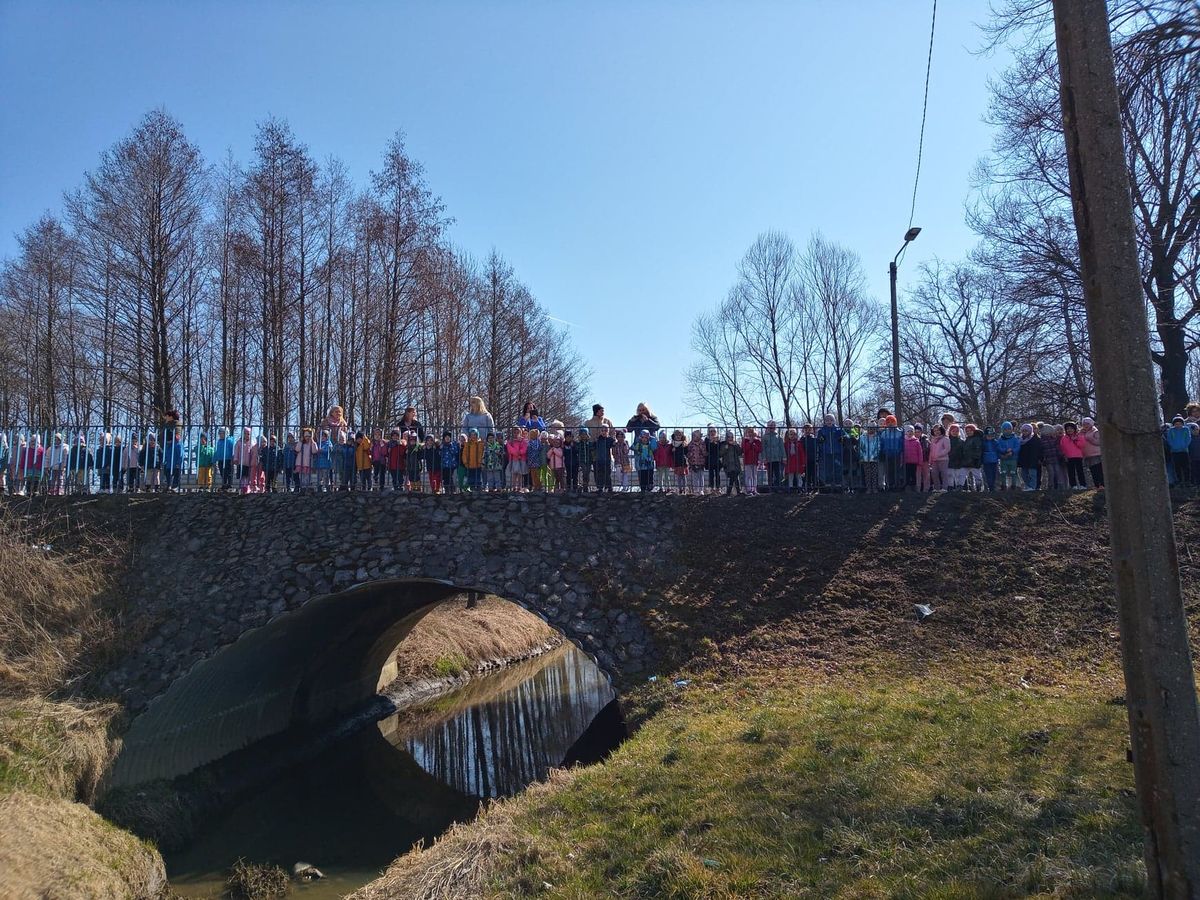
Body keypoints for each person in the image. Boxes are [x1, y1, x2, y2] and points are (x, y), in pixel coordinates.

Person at [816, 415, 844, 489]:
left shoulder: (839, 430)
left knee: (838, 468)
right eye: (827, 420)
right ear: (825, 421)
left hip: (837, 452)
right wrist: (821, 440)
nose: (829, 421)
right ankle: (828, 485)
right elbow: (819, 441)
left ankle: (838, 485)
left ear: (834, 421)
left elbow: (842, 440)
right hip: (826, 453)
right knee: (827, 469)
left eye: (831, 420)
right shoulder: (821, 430)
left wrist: (841, 439)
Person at [878, 416, 905, 491]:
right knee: (889, 470)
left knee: (897, 470)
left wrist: (901, 451)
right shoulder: (884, 433)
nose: (890, 424)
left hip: (897, 453)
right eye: (888, 422)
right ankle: (890, 485)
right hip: (887, 454)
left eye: (892, 422)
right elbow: (881, 444)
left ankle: (897, 485)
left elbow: (902, 443)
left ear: (895, 422)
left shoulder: (900, 432)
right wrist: (882, 451)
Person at [1165, 415, 1192, 485]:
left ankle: (1187, 480)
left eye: (1180, 424)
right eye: (1176, 424)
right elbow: (1169, 440)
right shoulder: (1171, 430)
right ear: (1174, 424)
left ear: (1183, 424)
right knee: (1177, 467)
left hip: (1184, 451)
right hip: (1174, 452)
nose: (1178, 425)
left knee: (1186, 466)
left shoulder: (1186, 429)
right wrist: (1174, 447)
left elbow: (1188, 439)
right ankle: (1179, 480)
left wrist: (1184, 446)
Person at [1060, 421, 1087, 489]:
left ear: (1074, 429)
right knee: (1071, 472)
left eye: (1071, 428)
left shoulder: (1079, 436)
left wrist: (1075, 440)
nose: (1069, 430)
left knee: (1080, 471)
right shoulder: (1064, 438)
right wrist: (1064, 455)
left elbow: (1082, 445)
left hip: (1078, 456)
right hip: (1069, 457)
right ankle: (1073, 485)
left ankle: (1083, 485)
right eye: (1067, 429)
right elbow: (1062, 448)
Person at [1017, 423, 1043, 491]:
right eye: (1023, 431)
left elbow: (1040, 450)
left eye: (1026, 431)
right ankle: (1028, 485)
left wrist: (1040, 458)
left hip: (1033, 459)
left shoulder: (1036, 439)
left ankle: (1032, 487)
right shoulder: (1020, 440)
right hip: (1024, 460)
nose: (1024, 432)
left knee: (1032, 474)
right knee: (1023, 474)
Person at [1079, 417, 1103, 488]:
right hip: (1087, 455)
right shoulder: (1082, 433)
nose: (1085, 426)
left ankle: (1102, 484)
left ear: (1091, 424)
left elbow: (1099, 442)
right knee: (1093, 470)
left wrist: (1090, 439)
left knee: (1098, 470)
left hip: (1096, 454)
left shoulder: (1095, 431)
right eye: (1084, 424)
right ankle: (1096, 485)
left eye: (1087, 424)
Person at [996, 422, 1020, 491]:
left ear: (1012, 429)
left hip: (1013, 459)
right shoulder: (1000, 439)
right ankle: (1003, 486)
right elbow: (998, 448)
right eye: (1005, 429)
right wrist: (1005, 451)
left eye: (1009, 429)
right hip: (1004, 459)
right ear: (1002, 430)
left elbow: (1017, 447)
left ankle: (1014, 486)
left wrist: (1012, 451)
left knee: (1013, 472)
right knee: (1003, 472)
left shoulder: (1015, 438)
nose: (1007, 431)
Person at [761, 422, 784, 491]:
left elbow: (782, 447)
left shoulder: (779, 436)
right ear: (768, 427)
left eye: (773, 426)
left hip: (777, 458)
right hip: (769, 458)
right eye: (770, 426)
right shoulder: (764, 437)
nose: (772, 427)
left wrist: (784, 457)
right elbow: (763, 448)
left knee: (778, 474)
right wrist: (764, 458)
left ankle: (778, 488)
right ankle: (770, 488)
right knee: (770, 474)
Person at [720, 430, 744, 495]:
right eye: (729, 437)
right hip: (728, 465)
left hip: (736, 464)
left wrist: (736, 445)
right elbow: (720, 454)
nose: (730, 438)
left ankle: (730, 492)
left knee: (734, 477)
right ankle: (737, 491)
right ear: (726, 437)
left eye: (732, 437)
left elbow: (740, 452)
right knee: (733, 477)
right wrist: (725, 448)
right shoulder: (723, 444)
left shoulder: (735, 444)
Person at [1039, 423, 1062, 490]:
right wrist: (1042, 459)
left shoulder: (1054, 439)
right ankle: (1050, 486)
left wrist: (1060, 455)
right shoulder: (1041, 440)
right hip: (1048, 460)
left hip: (1056, 459)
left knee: (1057, 472)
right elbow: (1041, 451)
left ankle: (1056, 486)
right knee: (1051, 473)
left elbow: (1057, 448)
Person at [859, 424, 881, 493]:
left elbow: (878, 447)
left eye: (873, 428)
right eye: (870, 428)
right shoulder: (862, 437)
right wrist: (863, 456)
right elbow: (860, 447)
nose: (871, 430)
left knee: (874, 474)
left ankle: (874, 488)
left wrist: (874, 455)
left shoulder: (877, 437)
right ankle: (868, 488)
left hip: (874, 459)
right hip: (865, 459)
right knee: (867, 474)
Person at [593, 425, 615, 492]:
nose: (604, 432)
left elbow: (614, 445)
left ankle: (609, 487)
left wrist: (614, 440)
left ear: (608, 431)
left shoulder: (610, 439)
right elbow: (594, 447)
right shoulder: (598, 439)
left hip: (607, 459)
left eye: (605, 431)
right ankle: (600, 488)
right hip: (599, 459)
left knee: (607, 474)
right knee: (600, 474)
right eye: (602, 430)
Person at [962, 423, 984, 491]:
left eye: (970, 431)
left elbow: (978, 450)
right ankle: (963, 488)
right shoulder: (967, 439)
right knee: (962, 475)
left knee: (977, 476)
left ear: (974, 431)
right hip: (967, 461)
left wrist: (976, 459)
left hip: (974, 461)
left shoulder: (977, 439)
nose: (968, 432)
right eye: (967, 431)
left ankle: (979, 488)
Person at [928, 425, 950, 491]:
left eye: (938, 430)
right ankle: (936, 488)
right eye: (935, 431)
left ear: (941, 430)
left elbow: (947, 449)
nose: (936, 432)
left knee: (944, 474)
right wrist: (930, 460)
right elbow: (931, 450)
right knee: (934, 474)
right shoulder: (932, 440)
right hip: (934, 460)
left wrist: (938, 455)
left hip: (943, 459)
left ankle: (944, 488)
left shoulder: (945, 439)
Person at [784, 427, 806, 492]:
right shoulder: (786, 444)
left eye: (794, 434)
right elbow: (784, 453)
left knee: (799, 476)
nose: (792, 436)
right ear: (788, 435)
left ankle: (800, 487)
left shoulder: (799, 443)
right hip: (790, 462)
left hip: (798, 462)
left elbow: (802, 453)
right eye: (791, 434)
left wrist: (803, 462)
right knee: (790, 476)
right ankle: (790, 488)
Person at [295, 428, 318, 492]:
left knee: (307, 476)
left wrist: (313, 442)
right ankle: (302, 487)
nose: (307, 438)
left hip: (308, 463)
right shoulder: (301, 443)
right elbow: (297, 449)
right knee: (301, 476)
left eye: (309, 436)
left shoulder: (312, 443)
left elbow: (314, 451)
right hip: (300, 462)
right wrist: (300, 442)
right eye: (306, 436)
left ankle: (307, 487)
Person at [903, 425, 924, 491]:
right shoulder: (903, 441)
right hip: (906, 461)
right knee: (907, 475)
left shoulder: (916, 441)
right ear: (906, 432)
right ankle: (907, 488)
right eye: (908, 431)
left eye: (911, 431)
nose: (910, 433)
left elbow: (920, 452)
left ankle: (914, 488)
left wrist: (920, 461)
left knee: (913, 475)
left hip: (914, 462)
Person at [685, 429, 706, 495]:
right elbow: (687, 453)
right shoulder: (690, 444)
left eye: (697, 436)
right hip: (693, 462)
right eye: (694, 436)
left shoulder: (702, 443)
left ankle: (701, 490)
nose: (695, 437)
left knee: (701, 477)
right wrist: (690, 455)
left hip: (701, 462)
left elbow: (705, 453)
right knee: (695, 477)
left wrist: (701, 448)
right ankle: (696, 490)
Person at [980, 426, 1000, 492]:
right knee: (988, 475)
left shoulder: (995, 442)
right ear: (985, 435)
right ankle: (990, 487)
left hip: (994, 461)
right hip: (986, 461)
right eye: (989, 435)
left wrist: (1000, 456)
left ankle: (994, 487)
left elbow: (999, 450)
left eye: (992, 435)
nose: (990, 437)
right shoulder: (983, 442)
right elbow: (981, 451)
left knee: (994, 474)